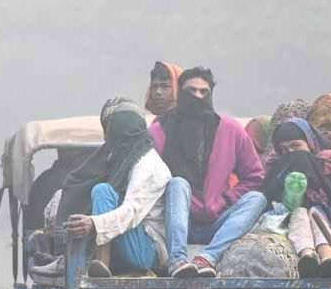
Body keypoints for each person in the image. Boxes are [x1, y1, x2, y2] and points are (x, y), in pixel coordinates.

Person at [150, 66, 266, 278]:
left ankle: (207, 258)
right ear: (180, 93)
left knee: (257, 199)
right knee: (177, 183)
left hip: (217, 219)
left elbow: (254, 176)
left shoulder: (231, 130)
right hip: (176, 220)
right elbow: (148, 179)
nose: (198, 96)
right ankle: (177, 260)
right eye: (191, 91)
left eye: (204, 92)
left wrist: (226, 199)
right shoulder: (159, 131)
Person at [62, 103, 172, 277]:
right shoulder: (127, 159)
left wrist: (94, 224)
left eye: (111, 136)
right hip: (133, 238)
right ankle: (101, 265)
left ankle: (100, 264)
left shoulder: (148, 166)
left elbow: (132, 212)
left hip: (148, 249)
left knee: (103, 192)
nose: (108, 141)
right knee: (102, 190)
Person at [263, 119, 331, 277]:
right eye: (284, 149)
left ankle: (327, 261)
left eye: (296, 146)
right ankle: (307, 257)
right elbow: (268, 198)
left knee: (317, 216)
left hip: (327, 217)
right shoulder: (275, 167)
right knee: (300, 216)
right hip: (290, 217)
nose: (291, 153)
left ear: (310, 142)